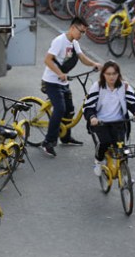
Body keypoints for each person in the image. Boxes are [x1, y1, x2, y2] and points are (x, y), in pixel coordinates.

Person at [40, 16, 102, 157]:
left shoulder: (74, 43)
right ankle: (48, 142)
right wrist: (60, 73)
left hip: (63, 82)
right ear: (73, 28)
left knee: (70, 110)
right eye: (81, 31)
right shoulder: (59, 41)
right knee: (60, 109)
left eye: (84, 32)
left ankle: (66, 138)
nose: (82, 35)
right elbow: (47, 60)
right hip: (51, 81)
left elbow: (82, 57)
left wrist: (94, 64)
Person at [83, 61, 135, 176]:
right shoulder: (98, 86)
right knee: (105, 143)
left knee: (123, 149)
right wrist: (92, 118)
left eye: (114, 73)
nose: (111, 76)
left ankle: (125, 176)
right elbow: (88, 107)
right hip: (100, 123)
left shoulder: (124, 86)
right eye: (108, 74)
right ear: (103, 75)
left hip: (119, 122)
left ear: (118, 74)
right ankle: (98, 161)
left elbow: (133, 102)